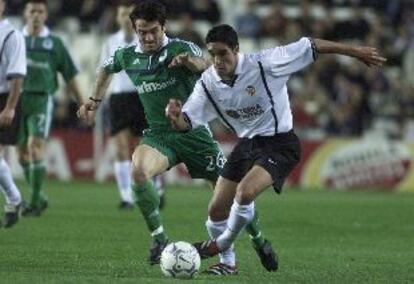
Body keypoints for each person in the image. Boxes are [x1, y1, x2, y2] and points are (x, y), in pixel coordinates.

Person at [166, 24, 386, 270]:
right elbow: (187, 121)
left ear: (236, 50)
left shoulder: (265, 63)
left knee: (245, 193)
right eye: (212, 54)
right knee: (217, 209)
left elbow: (311, 45)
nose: (217, 60)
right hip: (247, 144)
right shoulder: (207, 82)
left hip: (279, 143)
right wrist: (176, 119)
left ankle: (222, 242)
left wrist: (355, 52)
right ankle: (228, 265)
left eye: (223, 53)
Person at [78, 1, 274, 275]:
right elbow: (106, 68)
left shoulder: (181, 48)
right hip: (160, 135)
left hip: (194, 134)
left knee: (233, 195)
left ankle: (259, 240)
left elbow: (208, 65)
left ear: (164, 27)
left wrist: (192, 63)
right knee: (138, 171)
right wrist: (94, 101)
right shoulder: (127, 55)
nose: (148, 37)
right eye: (142, 31)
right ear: (134, 28)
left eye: (153, 31)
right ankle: (159, 240)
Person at [18, 0, 84, 216]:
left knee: (35, 146)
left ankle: (34, 201)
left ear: (46, 15)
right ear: (25, 13)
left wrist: (82, 102)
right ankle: (40, 197)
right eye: (32, 10)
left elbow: (70, 75)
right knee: (21, 155)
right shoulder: (15, 40)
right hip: (15, 100)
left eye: (40, 11)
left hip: (41, 99)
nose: (36, 14)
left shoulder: (55, 43)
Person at [100, 0, 165, 210]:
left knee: (146, 147)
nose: (125, 18)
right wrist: (97, 99)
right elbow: (105, 71)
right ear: (119, 18)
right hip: (119, 98)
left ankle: (156, 188)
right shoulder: (111, 42)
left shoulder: (147, 40)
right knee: (120, 147)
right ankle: (127, 196)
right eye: (122, 14)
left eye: (128, 14)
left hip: (143, 96)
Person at [0, 0, 26, 228]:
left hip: (5, 98)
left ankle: (15, 199)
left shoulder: (11, 35)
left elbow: (17, 75)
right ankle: (15, 199)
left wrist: (10, 106)